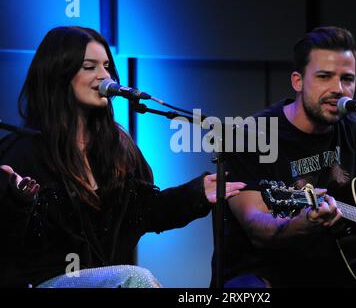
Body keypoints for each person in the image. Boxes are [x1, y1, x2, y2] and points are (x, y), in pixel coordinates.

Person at [0, 26, 246, 288]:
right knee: (134, 278)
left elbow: (145, 211)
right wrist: (19, 201)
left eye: (106, 66)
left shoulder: (116, 146)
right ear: (58, 74)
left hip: (107, 280)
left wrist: (196, 194)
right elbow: (10, 242)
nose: (104, 76)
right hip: (43, 282)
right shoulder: (23, 150)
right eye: (89, 66)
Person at [212, 26, 356, 288]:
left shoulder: (355, 129)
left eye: (347, 79)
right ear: (297, 81)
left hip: (341, 272)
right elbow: (255, 225)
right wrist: (302, 223)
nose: (339, 89)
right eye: (324, 76)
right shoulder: (248, 136)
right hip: (265, 275)